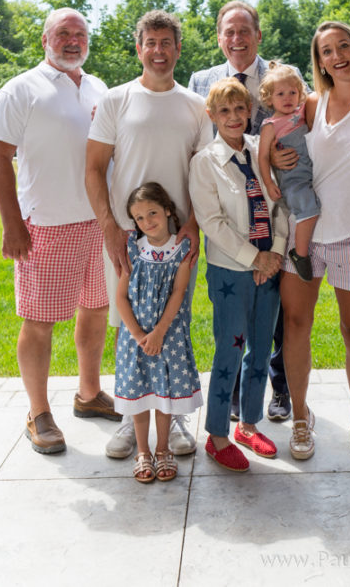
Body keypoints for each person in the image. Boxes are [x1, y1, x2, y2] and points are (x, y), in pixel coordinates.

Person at [0, 8, 118, 455]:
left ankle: (88, 393)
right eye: (64, 33)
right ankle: (38, 412)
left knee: (96, 309)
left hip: (98, 221)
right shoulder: (21, 89)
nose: (73, 40)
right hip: (46, 225)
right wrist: (12, 223)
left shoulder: (97, 87)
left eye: (80, 33)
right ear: (46, 39)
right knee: (39, 321)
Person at [86, 10, 211, 461]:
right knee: (128, 327)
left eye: (166, 42)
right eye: (150, 42)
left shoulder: (197, 106)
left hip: (176, 243)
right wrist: (109, 227)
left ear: (178, 49)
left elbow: (204, 173)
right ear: (138, 48)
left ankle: (172, 415)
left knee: (172, 326)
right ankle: (129, 417)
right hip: (126, 238)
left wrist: (193, 224)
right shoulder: (117, 101)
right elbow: (95, 169)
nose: (158, 50)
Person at [280, 21, 350, 461]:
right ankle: (302, 419)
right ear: (319, 60)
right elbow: (280, 138)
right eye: (327, 51)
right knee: (295, 326)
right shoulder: (310, 102)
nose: (337, 56)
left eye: (343, 46)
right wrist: (272, 152)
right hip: (304, 237)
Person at [188, 0, 298, 422]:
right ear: (219, 36)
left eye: (244, 31)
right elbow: (197, 139)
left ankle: (276, 393)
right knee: (231, 341)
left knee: (272, 327)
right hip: (227, 224)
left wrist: (275, 251)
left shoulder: (280, 77)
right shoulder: (202, 81)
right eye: (228, 32)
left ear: (258, 35)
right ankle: (224, 413)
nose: (236, 39)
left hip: (270, 209)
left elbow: (295, 123)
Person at [189, 78, 288, 471]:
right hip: (232, 271)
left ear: (250, 112)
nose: (233, 117)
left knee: (261, 349)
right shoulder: (205, 163)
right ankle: (216, 435)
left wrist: (276, 253)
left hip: (271, 267)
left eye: (239, 109)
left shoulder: (261, 151)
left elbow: (283, 202)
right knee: (229, 349)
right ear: (211, 116)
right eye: (224, 111)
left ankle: (249, 424)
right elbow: (212, 222)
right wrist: (254, 259)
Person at [115, 182, 202, 483]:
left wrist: (159, 333)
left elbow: (179, 293)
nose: (147, 221)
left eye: (152, 212)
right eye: (139, 218)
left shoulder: (181, 249)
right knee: (140, 396)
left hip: (170, 336)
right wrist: (140, 336)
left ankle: (162, 449)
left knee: (165, 395)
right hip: (136, 338)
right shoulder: (132, 249)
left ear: (167, 210)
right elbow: (121, 298)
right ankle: (143, 451)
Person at [258, 62, 320, 282]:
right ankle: (300, 254)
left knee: (314, 208)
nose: (287, 98)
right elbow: (263, 156)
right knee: (308, 212)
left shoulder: (302, 112)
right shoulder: (270, 125)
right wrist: (268, 183)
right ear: (269, 99)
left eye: (293, 92)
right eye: (280, 94)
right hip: (293, 178)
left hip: (311, 173)